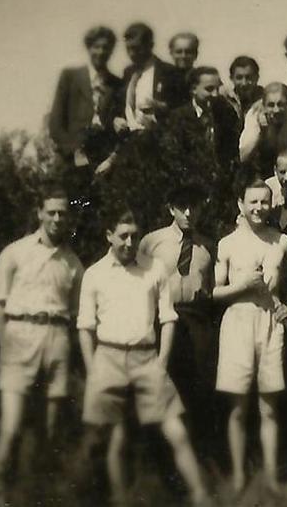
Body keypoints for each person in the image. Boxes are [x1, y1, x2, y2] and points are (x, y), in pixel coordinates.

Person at [78, 209, 210, 507]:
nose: (129, 242)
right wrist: (92, 370)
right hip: (108, 358)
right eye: (123, 236)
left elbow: (168, 319)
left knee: (176, 431)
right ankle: (119, 498)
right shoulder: (94, 274)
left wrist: (161, 362)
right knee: (115, 436)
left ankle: (201, 496)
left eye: (134, 236)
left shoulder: (154, 269)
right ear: (109, 236)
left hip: (147, 359)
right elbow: (85, 326)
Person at [0, 185, 84, 506]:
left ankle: (37, 494)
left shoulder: (73, 263)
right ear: (40, 213)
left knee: (51, 429)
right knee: (12, 426)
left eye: (63, 213)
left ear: (68, 217)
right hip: (20, 336)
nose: (57, 218)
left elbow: (75, 315)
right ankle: (1, 497)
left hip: (57, 338)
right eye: (52, 212)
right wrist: (5, 346)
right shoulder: (14, 253)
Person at [213, 179, 287, 495]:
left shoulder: (282, 242)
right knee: (237, 407)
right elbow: (215, 292)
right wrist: (243, 285)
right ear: (241, 204)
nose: (259, 208)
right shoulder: (227, 244)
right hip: (237, 322)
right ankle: (238, 476)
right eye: (253, 202)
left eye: (264, 201)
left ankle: (271, 477)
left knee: (269, 407)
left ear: (271, 204)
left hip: (269, 324)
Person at [137, 185, 219, 462]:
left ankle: (197, 454)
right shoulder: (152, 242)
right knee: (161, 383)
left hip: (196, 319)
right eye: (182, 207)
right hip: (163, 319)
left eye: (194, 206)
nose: (188, 213)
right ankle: (157, 457)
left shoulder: (208, 246)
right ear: (171, 208)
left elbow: (213, 288)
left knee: (198, 385)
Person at [47, 26, 123, 170]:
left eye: (106, 47)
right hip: (72, 161)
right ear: (88, 48)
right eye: (96, 47)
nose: (101, 52)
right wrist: (74, 151)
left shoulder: (117, 84)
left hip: (104, 162)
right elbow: (55, 124)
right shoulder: (70, 77)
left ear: (111, 50)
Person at [166, 66, 242, 177]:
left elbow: (232, 151)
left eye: (218, 88)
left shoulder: (225, 113)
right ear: (194, 89)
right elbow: (174, 156)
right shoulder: (178, 117)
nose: (215, 94)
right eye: (209, 89)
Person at [118, 22, 189, 133]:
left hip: (158, 135)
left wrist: (161, 106)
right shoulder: (128, 72)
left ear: (150, 45)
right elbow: (121, 104)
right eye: (128, 49)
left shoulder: (169, 72)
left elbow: (183, 107)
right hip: (129, 136)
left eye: (136, 49)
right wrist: (117, 120)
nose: (132, 54)